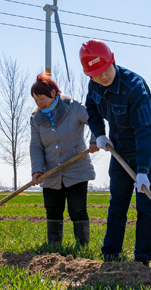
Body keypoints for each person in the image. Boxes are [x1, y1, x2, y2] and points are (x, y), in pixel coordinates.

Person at [79, 38, 151, 267]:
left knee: (145, 204)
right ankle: (110, 255)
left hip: (147, 146)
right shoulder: (94, 85)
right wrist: (99, 133)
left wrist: (143, 171)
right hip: (119, 148)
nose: (102, 77)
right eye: (96, 74)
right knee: (117, 202)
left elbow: (146, 130)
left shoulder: (134, 87)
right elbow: (91, 108)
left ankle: (142, 259)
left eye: (105, 70)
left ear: (112, 60)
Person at [29, 73, 99, 248]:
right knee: (53, 210)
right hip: (51, 171)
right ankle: (54, 248)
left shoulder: (73, 107)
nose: (39, 104)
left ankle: (82, 248)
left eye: (41, 99)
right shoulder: (36, 118)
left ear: (53, 93)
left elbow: (95, 120)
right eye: (36, 100)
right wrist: (37, 170)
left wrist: (94, 140)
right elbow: (36, 146)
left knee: (77, 210)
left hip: (77, 168)